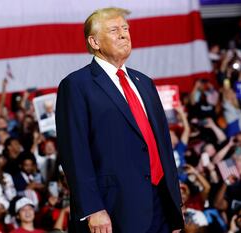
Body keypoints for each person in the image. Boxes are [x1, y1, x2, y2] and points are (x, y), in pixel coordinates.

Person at [56, 7, 183, 233]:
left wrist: (174, 203)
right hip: (113, 209)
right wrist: (93, 208)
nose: (124, 34)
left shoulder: (145, 82)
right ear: (94, 42)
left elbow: (162, 145)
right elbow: (74, 152)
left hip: (160, 204)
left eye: (126, 28)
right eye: (114, 30)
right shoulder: (76, 85)